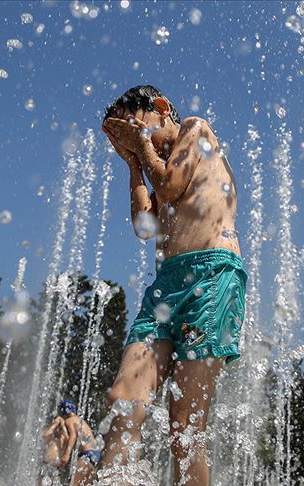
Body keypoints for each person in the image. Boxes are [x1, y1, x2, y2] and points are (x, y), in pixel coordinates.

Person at [97, 85, 247, 486]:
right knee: (124, 401)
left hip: (211, 276)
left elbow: (167, 187)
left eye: (138, 126)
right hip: (167, 285)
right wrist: (133, 163)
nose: (135, 137)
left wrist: (142, 146)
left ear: (161, 109)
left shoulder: (195, 131)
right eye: (125, 133)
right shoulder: (156, 161)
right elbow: (144, 226)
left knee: (185, 426)